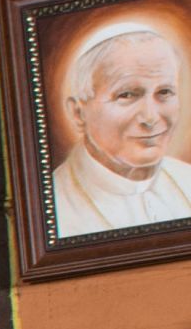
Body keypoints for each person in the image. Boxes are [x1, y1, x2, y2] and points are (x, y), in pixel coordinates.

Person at [52, 19, 191, 234]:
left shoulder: (186, 179)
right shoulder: (54, 207)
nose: (150, 117)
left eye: (164, 92)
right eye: (127, 95)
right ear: (78, 113)